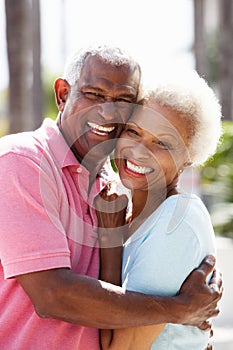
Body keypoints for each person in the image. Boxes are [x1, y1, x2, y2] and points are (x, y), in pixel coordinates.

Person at [0, 46, 222, 350]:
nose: (107, 111)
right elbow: (51, 295)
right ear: (63, 94)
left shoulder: (109, 183)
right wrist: (181, 310)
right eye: (94, 94)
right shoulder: (21, 161)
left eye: (123, 101)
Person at [95, 70, 223, 350]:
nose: (140, 151)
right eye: (133, 131)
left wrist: (110, 243)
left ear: (187, 159)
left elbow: (121, 347)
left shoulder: (175, 224)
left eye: (162, 143)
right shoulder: (127, 214)